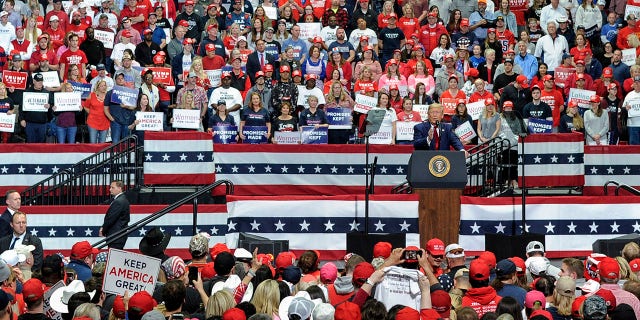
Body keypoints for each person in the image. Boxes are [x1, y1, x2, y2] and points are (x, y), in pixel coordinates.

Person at [99, 180, 130, 250]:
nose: (110, 189)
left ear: (119, 188)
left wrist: (103, 230)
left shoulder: (119, 201)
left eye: (112, 187)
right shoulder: (121, 199)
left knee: (114, 258)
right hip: (117, 236)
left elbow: (110, 218)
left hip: (116, 236)